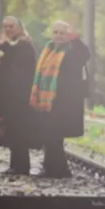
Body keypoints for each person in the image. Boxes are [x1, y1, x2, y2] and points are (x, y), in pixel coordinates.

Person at [29, 20, 91, 178]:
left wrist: (74, 38)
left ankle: (60, 170)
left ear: (68, 35)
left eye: (62, 33)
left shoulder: (72, 50)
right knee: (49, 135)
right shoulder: (49, 49)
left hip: (64, 102)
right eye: (55, 32)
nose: (58, 36)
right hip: (47, 101)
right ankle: (53, 169)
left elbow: (85, 54)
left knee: (54, 136)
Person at [0, 16, 37, 174]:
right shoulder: (12, 45)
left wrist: (4, 46)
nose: (8, 29)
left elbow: (19, 66)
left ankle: (22, 165)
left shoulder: (24, 44)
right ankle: (15, 165)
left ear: (19, 27)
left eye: (11, 26)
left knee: (19, 130)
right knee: (10, 129)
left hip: (19, 96)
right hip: (7, 95)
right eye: (5, 27)